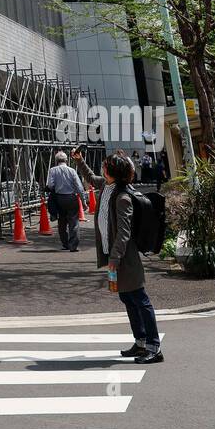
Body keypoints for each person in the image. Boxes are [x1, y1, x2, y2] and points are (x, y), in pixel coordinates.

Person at [72, 148, 163, 364]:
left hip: (125, 257)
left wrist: (114, 259)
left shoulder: (122, 197)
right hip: (115, 255)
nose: (102, 168)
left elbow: (124, 232)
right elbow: (92, 178)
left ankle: (154, 347)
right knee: (128, 297)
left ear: (112, 171)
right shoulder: (108, 186)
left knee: (140, 299)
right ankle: (140, 342)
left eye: (105, 166)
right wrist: (80, 161)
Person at [45, 150, 86, 252]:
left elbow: (50, 185)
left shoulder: (52, 170)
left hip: (59, 198)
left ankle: (65, 244)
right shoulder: (72, 171)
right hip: (71, 198)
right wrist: (84, 201)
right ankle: (73, 246)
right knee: (74, 222)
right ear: (66, 160)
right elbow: (79, 187)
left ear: (56, 160)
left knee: (61, 222)